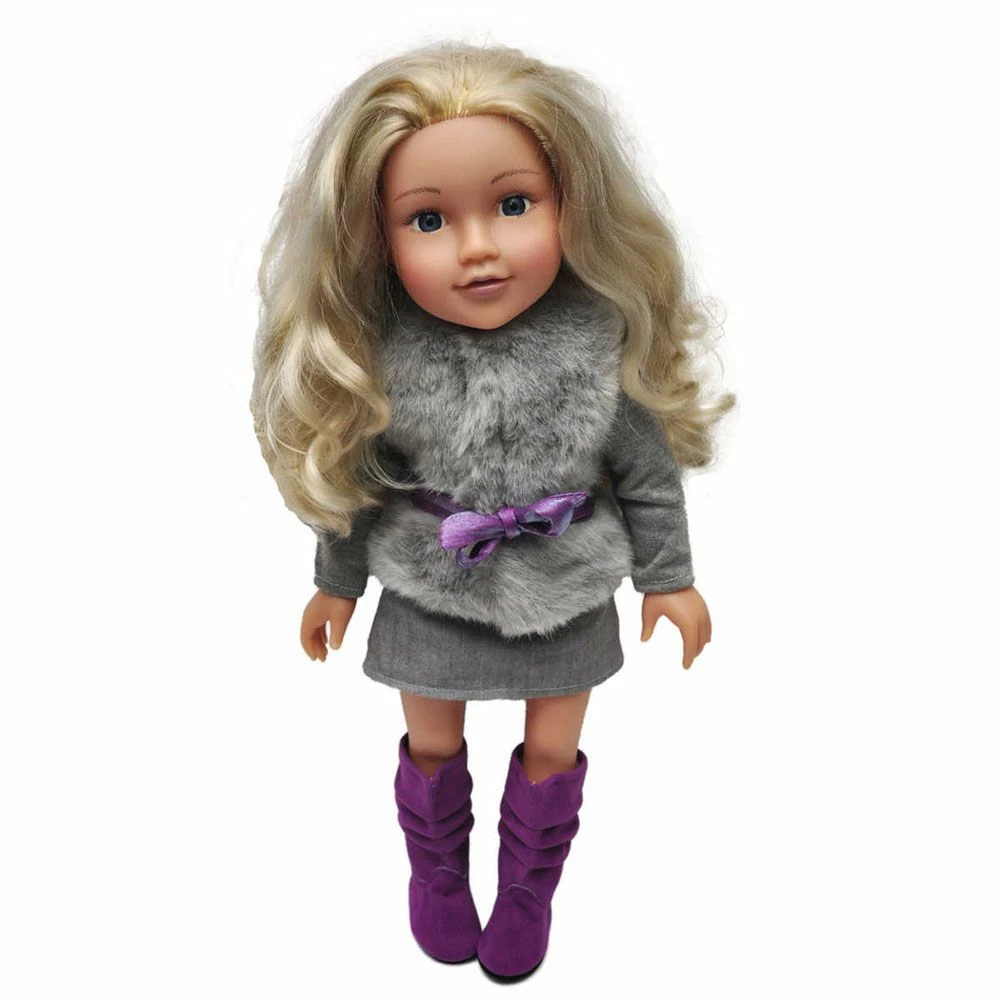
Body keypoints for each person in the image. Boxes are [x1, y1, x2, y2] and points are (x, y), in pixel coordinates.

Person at [250, 40, 733, 981]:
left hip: (570, 578)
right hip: (431, 577)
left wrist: (668, 579)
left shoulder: (598, 339)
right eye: (428, 219)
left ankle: (527, 888)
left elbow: (646, 475)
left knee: (554, 746)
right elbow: (358, 480)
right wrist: (335, 585)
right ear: (376, 238)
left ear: (571, 207)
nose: (477, 248)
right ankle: (436, 871)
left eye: (514, 206)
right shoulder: (380, 353)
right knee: (432, 741)